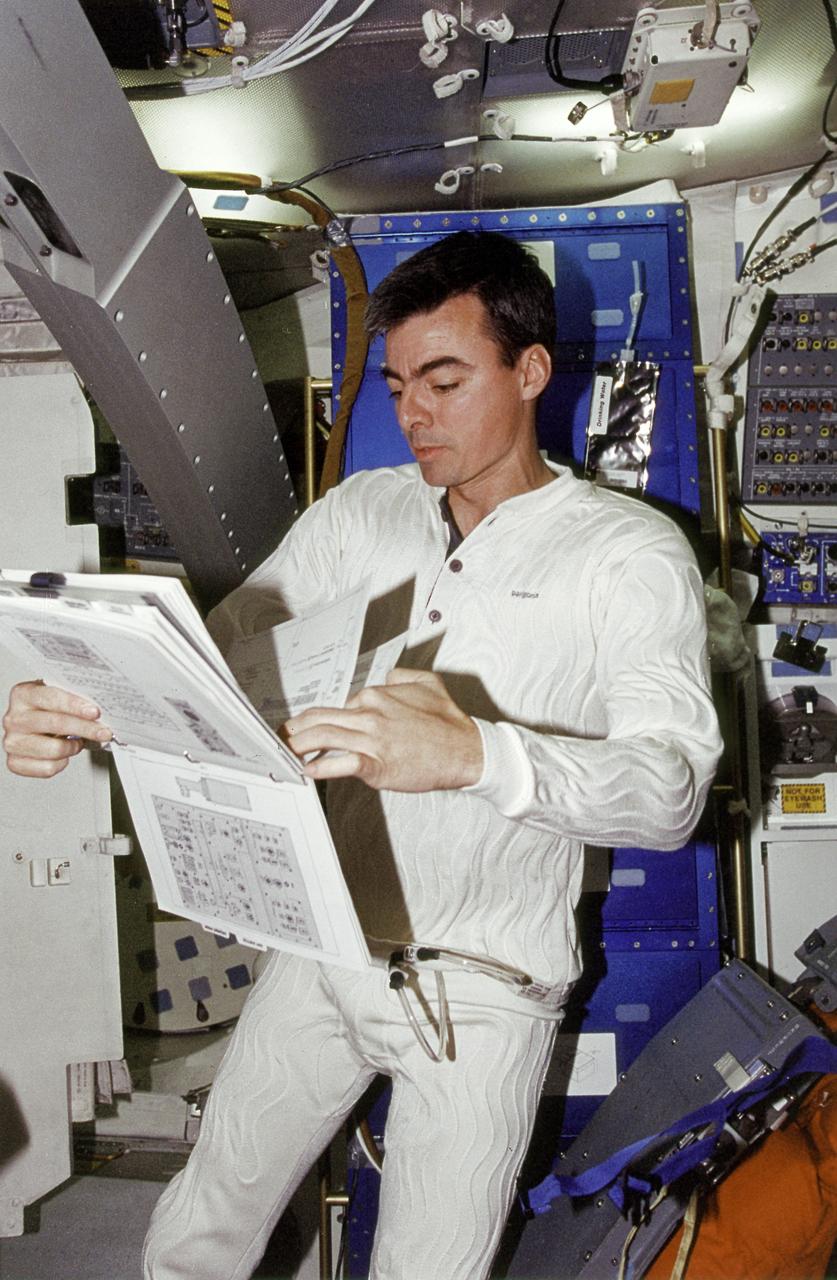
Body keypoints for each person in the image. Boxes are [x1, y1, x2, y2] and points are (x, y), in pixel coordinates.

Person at [2, 231, 722, 1280]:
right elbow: (217, 670)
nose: (413, 412)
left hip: (482, 995)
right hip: (328, 949)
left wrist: (477, 752)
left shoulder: (626, 554)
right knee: (193, 1231)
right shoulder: (362, 517)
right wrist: (80, 704)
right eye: (397, 384)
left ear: (529, 370)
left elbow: (670, 792)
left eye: (444, 378)